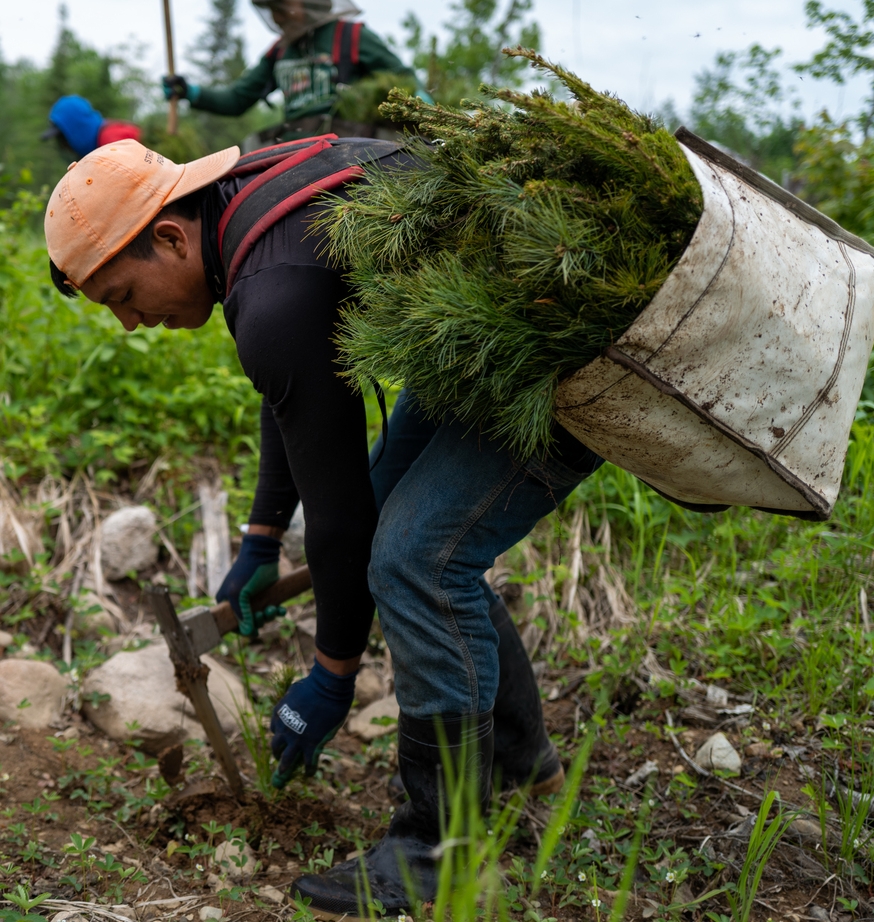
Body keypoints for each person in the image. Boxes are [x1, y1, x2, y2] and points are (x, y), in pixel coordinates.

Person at [44, 139, 603, 919]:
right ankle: (518, 756)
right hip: (484, 342)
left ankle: (437, 848)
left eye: (121, 294)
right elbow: (298, 389)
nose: (132, 322)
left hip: (573, 352)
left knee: (414, 559)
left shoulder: (271, 289)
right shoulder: (247, 209)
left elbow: (341, 519)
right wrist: (260, 538)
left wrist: (333, 674)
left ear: (170, 237)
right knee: (406, 531)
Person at [162, 0, 428, 142]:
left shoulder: (352, 35)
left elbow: (402, 79)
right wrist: (191, 92)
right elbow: (237, 100)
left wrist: (423, 106)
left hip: (350, 146)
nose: (277, 16)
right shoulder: (279, 50)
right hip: (293, 149)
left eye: (282, 5)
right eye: (271, 9)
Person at [42, 95, 142, 159]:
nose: (63, 145)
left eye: (63, 136)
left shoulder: (110, 140)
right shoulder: (101, 142)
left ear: (77, 128)